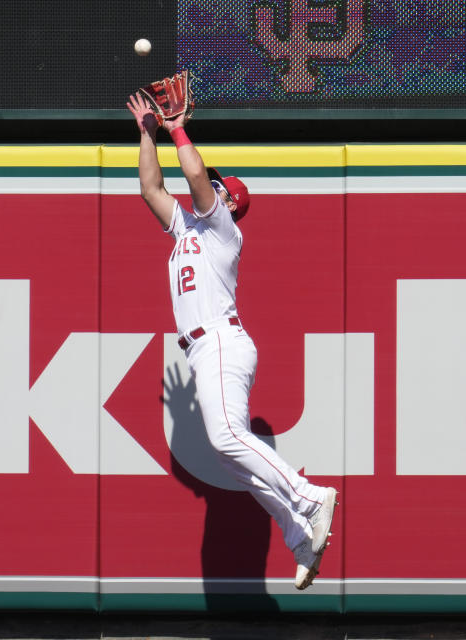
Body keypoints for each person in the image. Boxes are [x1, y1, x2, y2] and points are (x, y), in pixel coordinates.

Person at [126, 91, 338, 590]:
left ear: (229, 202)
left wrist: (178, 129)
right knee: (230, 455)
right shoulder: (185, 230)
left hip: (222, 341)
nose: (208, 187)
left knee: (224, 439)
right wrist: (146, 133)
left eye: (219, 188)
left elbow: (196, 178)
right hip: (203, 351)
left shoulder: (222, 229)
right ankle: (299, 534)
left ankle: (309, 498)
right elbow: (150, 189)